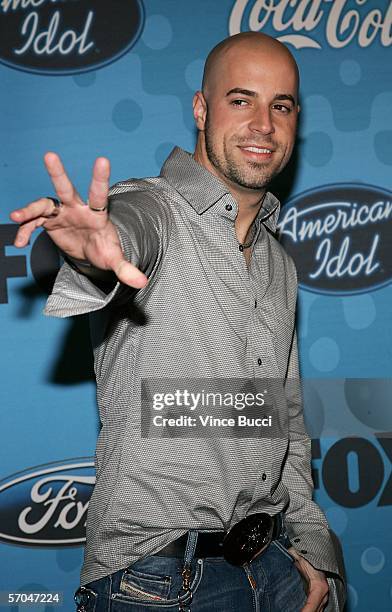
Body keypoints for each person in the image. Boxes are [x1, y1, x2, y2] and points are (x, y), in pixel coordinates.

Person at [10, 32, 346, 612]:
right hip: (156, 585)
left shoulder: (279, 264)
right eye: (241, 100)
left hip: (274, 572)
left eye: (282, 105)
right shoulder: (151, 209)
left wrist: (315, 552)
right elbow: (125, 233)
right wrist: (98, 249)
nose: (264, 123)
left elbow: (284, 425)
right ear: (201, 108)